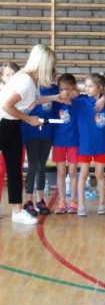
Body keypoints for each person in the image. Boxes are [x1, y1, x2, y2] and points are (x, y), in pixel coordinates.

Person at [0, 44, 66, 224]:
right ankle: (17, 211)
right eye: (51, 64)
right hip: (4, 123)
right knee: (12, 168)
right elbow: (6, 106)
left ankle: (17, 212)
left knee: (15, 169)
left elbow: (34, 100)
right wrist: (28, 119)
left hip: (13, 124)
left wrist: (54, 97)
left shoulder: (32, 81)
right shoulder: (25, 81)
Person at [74, 73, 105, 216]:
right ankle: (81, 205)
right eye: (86, 86)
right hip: (85, 144)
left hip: (101, 145)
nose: (87, 88)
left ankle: (102, 204)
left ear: (100, 87)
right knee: (83, 174)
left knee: (100, 174)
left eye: (90, 86)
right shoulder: (81, 101)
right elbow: (66, 98)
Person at [21, 80, 59, 217]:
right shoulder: (31, 88)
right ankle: (28, 201)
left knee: (41, 167)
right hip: (31, 134)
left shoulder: (55, 89)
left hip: (46, 134)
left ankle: (40, 200)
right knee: (32, 167)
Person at [52, 73, 81, 214]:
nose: (64, 92)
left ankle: (72, 201)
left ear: (74, 88)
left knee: (72, 171)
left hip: (74, 141)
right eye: (62, 89)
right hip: (58, 142)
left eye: (68, 89)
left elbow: (89, 98)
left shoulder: (78, 101)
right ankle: (62, 201)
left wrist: (77, 95)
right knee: (61, 172)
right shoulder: (55, 101)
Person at [0, 62, 20, 201]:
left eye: (14, 75)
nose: (11, 77)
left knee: (14, 170)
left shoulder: (20, 93)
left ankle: (16, 208)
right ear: (2, 76)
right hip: (3, 130)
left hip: (14, 133)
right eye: (7, 75)